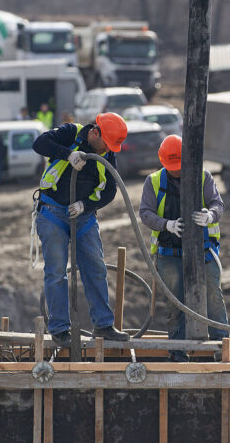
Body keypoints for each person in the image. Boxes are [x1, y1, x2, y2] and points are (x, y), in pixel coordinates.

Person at [32, 112, 130, 347]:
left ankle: (104, 325)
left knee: (95, 268)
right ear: (95, 133)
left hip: (83, 216)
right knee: (56, 272)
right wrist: (68, 153)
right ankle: (59, 330)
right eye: (106, 143)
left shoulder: (107, 154)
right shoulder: (71, 133)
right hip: (52, 212)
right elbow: (40, 143)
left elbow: (110, 190)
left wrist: (86, 205)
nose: (108, 149)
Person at [139, 135, 229, 362]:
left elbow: (218, 204)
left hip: (204, 250)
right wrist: (166, 225)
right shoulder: (154, 181)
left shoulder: (202, 176)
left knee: (213, 296)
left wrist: (209, 215)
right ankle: (178, 352)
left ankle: (221, 349)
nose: (176, 171)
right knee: (175, 302)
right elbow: (145, 213)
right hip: (169, 252)